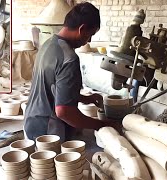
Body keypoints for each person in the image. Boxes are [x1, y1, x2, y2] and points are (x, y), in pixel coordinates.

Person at [24, 2, 121, 142]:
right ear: (81, 29)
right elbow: (64, 112)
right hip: (48, 133)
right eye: (90, 34)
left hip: (31, 122)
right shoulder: (69, 59)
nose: (89, 41)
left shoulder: (48, 45)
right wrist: (101, 125)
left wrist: (85, 99)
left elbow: (53, 88)